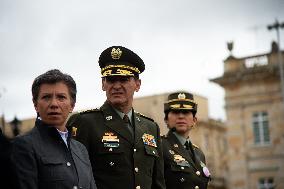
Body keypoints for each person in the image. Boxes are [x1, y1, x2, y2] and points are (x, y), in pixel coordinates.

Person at [67, 46, 166, 189]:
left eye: (124, 80)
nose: (117, 86)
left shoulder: (150, 127)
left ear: (137, 84)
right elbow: (74, 179)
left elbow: (158, 183)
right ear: (103, 84)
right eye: (111, 80)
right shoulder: (84, 122)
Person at [11, 69, 97, 189]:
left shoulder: (80, 149)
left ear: (72, 105)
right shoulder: (23, 145)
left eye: (61, 97)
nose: (54, 104)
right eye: (46, 97)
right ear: (35, 104)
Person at [162, 92, 211, 189]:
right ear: (166, 120)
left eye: (185, 112)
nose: (181, 116)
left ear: (194, 120)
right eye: (175, 112)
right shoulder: (160, 146)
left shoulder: (199, 153)